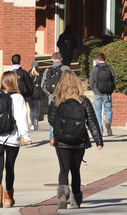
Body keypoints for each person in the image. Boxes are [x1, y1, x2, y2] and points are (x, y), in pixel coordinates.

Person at [48, 70, 103, 209]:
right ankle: (75, 200)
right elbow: (92, 121)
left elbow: (51, 119)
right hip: (79, 140)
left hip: (61, 141)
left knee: (63, 170)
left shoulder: (57, 99)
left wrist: (61, 127)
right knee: (76, 170)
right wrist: (98, 140)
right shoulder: (83, 100)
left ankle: (62, 197)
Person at [0, 71, 32, 208]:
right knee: (9, 166)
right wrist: (26, 136)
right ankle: (8, 199)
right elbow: (21, 119)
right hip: (11, 137)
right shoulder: (18, 97)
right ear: (14, 82)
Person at [41, 52, 70, 145]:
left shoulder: (47, 70)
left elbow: (42, 85)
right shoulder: (66, 68)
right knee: (64, 116)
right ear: (61, 59)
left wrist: (49, 93)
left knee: (52, 117)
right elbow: (71, 82)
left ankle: (52, 138)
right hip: (63, 96)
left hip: (52, 97)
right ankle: (63, 136)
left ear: (52, 59)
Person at [89, 53, 115, 135]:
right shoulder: (110, 69)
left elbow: (91, 82)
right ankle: (108, 121)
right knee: (108, 109)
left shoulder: (94, 69)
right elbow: (113, 82)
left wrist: (94, 89)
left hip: (97, 93)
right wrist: (110, 91)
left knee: (98, 112)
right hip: (107, 93)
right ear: (105, 59)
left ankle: (100, 130)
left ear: (97, 60)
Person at [27, 61, 43, 130]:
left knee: (31, 109)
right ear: (37, 66)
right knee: (37, 108)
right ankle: (36, 120)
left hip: (30, 94)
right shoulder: (40, 73)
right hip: (38, 93)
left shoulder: (28, 73)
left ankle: (32, 125)